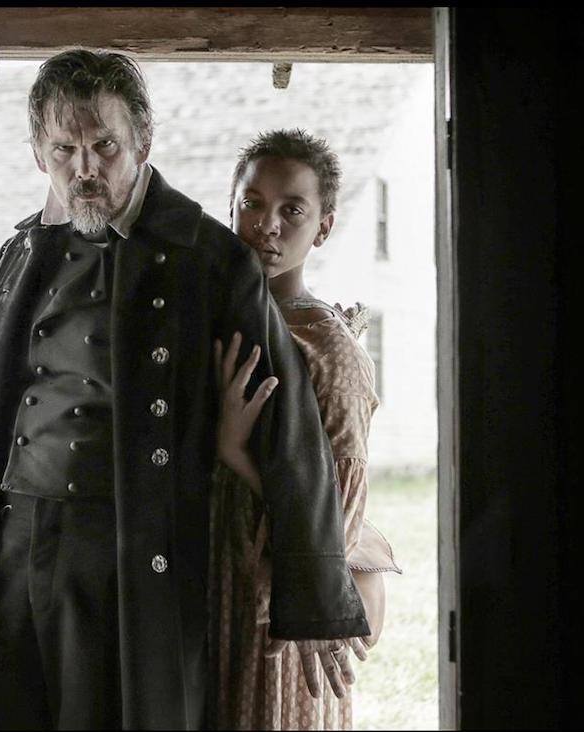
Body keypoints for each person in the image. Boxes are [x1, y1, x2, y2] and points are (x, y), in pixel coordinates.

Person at [0, 52, 368, 730]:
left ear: (144, 144)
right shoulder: (20, 251)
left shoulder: (207, 258)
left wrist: (315, 595)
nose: (85, 168)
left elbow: (294, 426)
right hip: (13, 537)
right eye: (64, 149)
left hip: (125, 548)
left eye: (105, 146)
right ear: (39, 154)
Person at [209, 129, 402, 730]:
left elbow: (337, 513)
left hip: (281, 601)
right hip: (208, 589)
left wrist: (236, 451)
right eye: (253, 202)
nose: (267, 224)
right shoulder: (210, 322)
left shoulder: (329, 350)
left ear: (323, 227)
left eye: (292, 210)